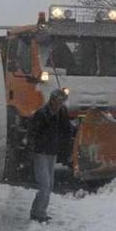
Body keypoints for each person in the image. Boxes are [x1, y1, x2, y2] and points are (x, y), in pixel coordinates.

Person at [29, 88, 72, 223]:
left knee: (49, 184)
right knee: (45, 184)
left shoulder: (62, 113)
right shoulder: (41, 114)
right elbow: (33, 133)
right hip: (41, 152)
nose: (59, 105)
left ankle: (38, 210)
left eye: (62, 102)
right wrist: (33, 148)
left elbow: (67, 131)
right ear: (52, 100)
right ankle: (38, 213)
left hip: (52, 152)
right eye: (58, 101)